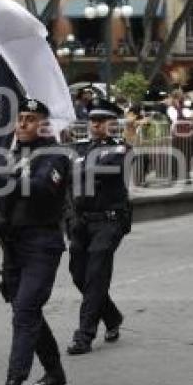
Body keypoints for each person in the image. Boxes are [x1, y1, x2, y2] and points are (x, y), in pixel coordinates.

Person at [0, 98, 70, 385]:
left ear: (44, 124)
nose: (22, 124)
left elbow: (44, 188)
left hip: (42, 243)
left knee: (25, 312)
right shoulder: (12, 155)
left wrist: (6, 182)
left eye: (30, 119)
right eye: (20, 118)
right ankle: (55, 371)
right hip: (12, 246)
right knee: (25, 310)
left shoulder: (55, 156)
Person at [67, 99, 131, 355]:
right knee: (78, 275)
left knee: (95, 275)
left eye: (102, 120)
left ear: (113, 123)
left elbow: (103, 171)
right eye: (93, 119)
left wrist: (77, 167)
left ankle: (84, 335)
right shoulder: (77, 148)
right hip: (80, 220)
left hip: (109, 220)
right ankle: (112, 316)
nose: (95, 124)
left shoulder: (121, 149)